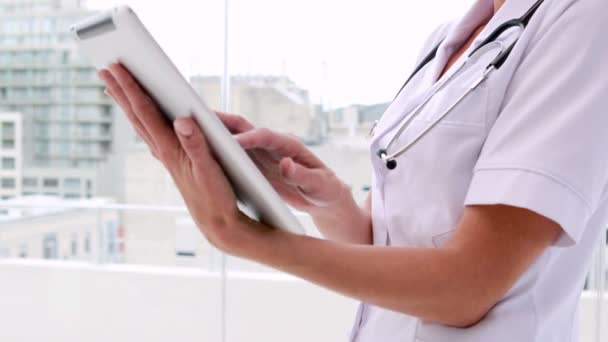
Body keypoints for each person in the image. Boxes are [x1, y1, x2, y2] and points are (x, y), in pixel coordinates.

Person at [98, 0, 608, 340]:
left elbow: (467, 287)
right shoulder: (450, 39)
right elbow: (399, 244)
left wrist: (240, 235)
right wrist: (332, 201)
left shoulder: (585, 21)